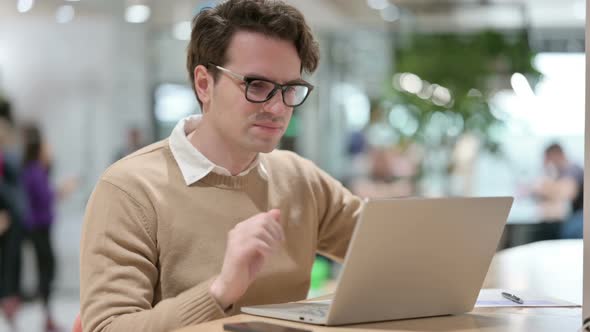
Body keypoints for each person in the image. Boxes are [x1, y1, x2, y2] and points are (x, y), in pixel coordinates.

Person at [79, 1, 363, 331]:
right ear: (204, 83)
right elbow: (107, 327)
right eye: (256, 85)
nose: (277, 107)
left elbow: (389, 248)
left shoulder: (300, 178)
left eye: (290, 89)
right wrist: (221, 289)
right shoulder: (131, 190)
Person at [21, 124, 77, 332]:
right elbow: (45, 199)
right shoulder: (34, 171)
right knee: (47, 270)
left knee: (47, 270)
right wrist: (63, 189)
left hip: (42, 227)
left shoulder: (37, 170)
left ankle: (46, 314)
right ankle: (46, 315)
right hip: (38, 228)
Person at [531, 143, 583, 239]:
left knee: (563, 231)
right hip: (570, 216)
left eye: (548, 159)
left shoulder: (573, 169)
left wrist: (546, 189)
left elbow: (567, 193)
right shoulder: (559, 173)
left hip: (580, 216)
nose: (546, 163)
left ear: (557, 155)